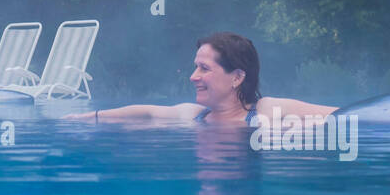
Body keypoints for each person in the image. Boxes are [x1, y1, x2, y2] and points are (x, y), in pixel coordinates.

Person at [63, 32, 335, 123]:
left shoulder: (266, 111)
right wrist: (89, 117)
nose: (193, 77)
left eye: (204, 68)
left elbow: (342, 116)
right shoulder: (195, 115)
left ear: (237, 77)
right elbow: (147, 113)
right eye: (195, 67)